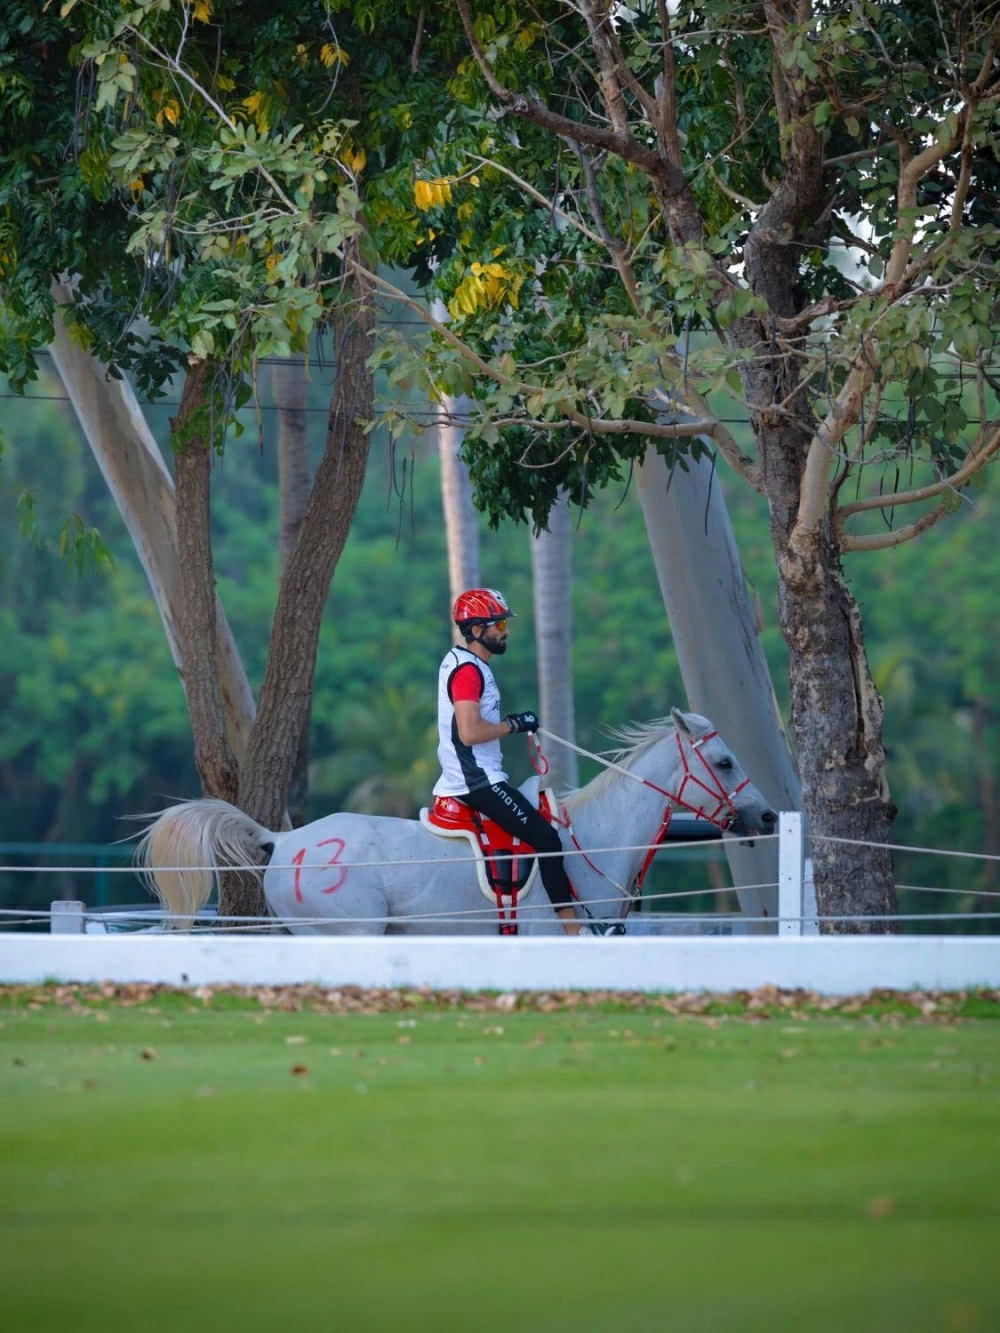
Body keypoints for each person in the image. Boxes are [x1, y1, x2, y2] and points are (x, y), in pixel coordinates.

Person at [434, 587, 584, 937]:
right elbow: (469, 733)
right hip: (477, 782)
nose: (505, 630)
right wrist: (515, 725)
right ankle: (575, 932)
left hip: (481, 775)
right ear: (475, 631)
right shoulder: (468, 671)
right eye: (498, 623)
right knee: (547, 838)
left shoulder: (469, 664)